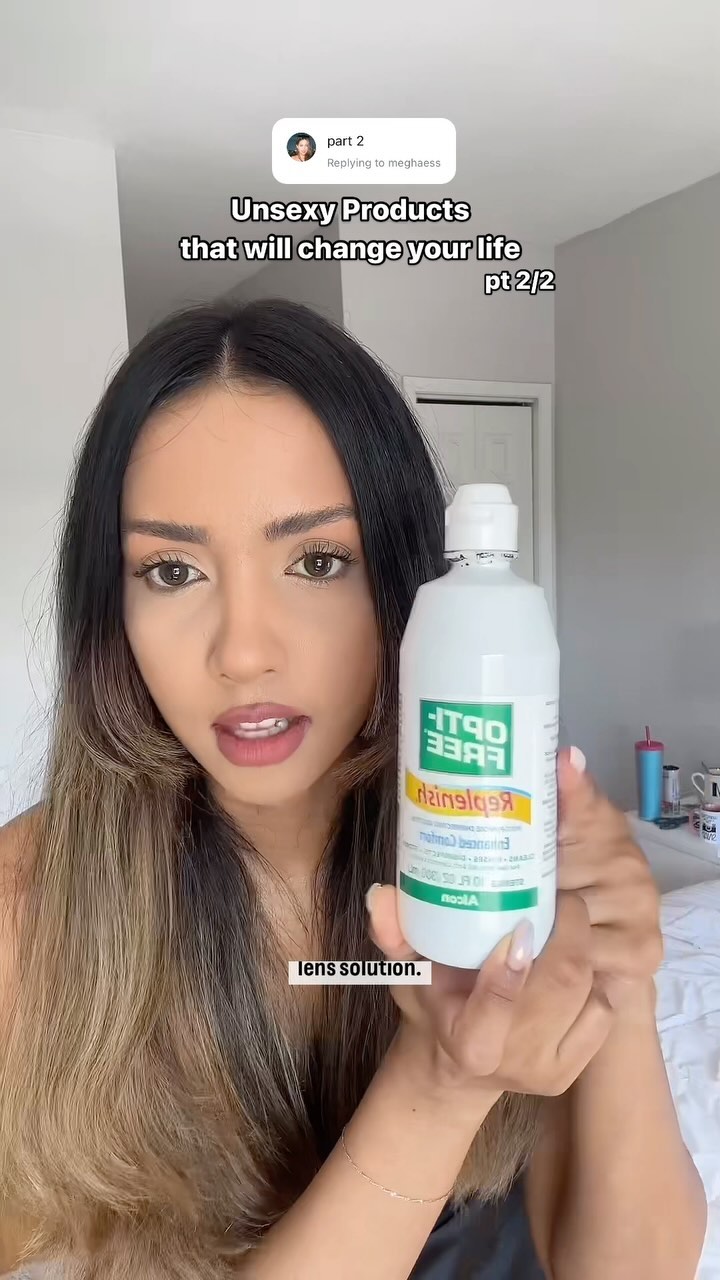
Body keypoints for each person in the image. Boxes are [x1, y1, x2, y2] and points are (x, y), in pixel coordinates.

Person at [0, 299, 706, 1280]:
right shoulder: (27, 908)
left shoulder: (493, 869)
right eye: (172, 570)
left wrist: (622, 984)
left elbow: (630, 1268)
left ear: (405, 585)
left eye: (318, 560)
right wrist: (438, 1089)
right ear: (109, 607)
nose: (244, 652)